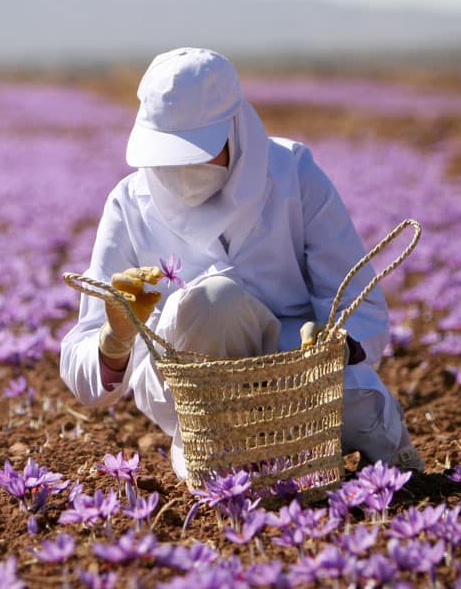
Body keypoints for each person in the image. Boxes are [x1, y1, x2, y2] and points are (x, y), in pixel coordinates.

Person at [59, 47, 423, 482]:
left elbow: (358, 301)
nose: (180, 171)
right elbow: (83, 367)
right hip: (197, 393)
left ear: (236, 129)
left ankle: (385, 453)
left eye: (197, 152)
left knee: (358, 408)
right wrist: (114, 342)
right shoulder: (128, 203)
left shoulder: (293, 173)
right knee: (213, 303)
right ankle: (225, 451)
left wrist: (336, 346)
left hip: (298, 372)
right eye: (166, 156)